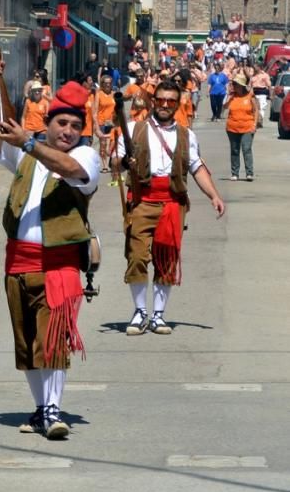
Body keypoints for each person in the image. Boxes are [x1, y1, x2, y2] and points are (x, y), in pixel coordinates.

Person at [0, 57, 100, 440]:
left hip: (59, 264)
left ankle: (53, 410)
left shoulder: (85, 156)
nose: (68, 131)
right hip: (18, 262)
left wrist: (29, 142)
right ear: (47, 122)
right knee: (27, 342)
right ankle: (39, 409)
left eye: (75, 126)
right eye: (61, 123)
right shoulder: (25, 154)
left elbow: (68, 168)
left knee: (53, 340)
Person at [113, 80, 225, 335]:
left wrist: (214, 196)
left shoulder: (187, 135)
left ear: (177, 104)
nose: (164, 105)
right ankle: (140, 312)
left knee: (166, 260)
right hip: (141, 202)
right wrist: (122, 160)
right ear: (153, 101)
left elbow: (196, 168)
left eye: (170, 101)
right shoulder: (132, 129)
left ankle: (158, 316)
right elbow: (114, 165)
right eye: (160, 100)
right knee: (137, 257)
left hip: (172, 204)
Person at [223, 74, 258, 181]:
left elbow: (255, 110)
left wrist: (254, 124)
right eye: (233, 84)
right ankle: (235, 173)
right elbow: (224, 107)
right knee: (234, 150)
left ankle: (249, 173)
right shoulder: (232, 96)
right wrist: (229, 97)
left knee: (246, 149)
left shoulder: (250, 95)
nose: (234, 86)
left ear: (241, 86)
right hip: (232, 128)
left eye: (236, 84)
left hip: (247, 127)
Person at [94, 75, 116, 173]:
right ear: (102, 84)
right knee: (103, 144)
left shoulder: (114, 94)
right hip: (101, 122)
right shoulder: (99, 94)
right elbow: (94, 111)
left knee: (111, 143)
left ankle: (110, 162)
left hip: (112, 122)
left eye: (109, 83)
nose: (108, 85)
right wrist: (96, 125)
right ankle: (104, 165)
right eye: (105, 83)